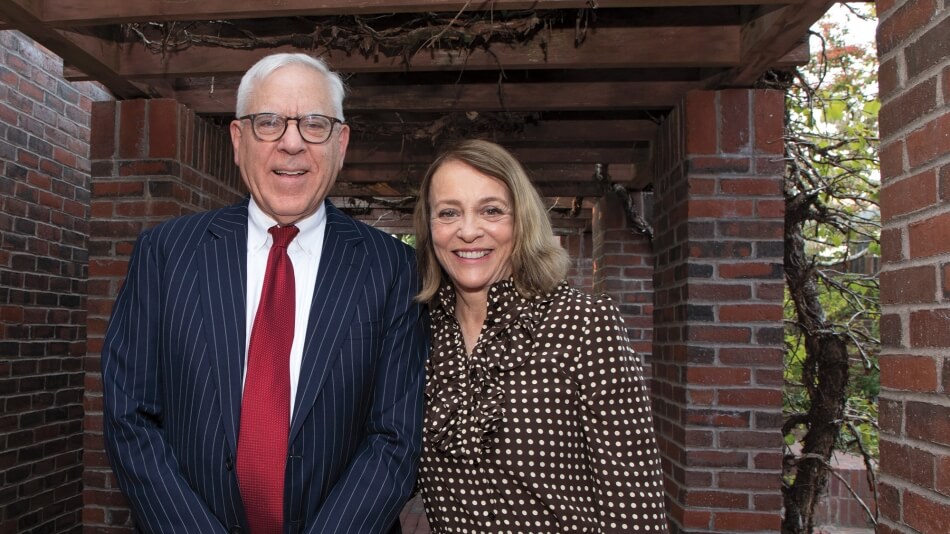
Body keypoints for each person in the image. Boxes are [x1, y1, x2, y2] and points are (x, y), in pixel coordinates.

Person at [101, 52, 427, 534]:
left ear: (341, 143)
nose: (291, 143)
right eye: (268, 122)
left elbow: (397, 437)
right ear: (238, 140)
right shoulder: (166, 253)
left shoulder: (394, 267)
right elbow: (128, 416)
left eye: (314, 124)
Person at [413, 139, 669, 533]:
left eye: (491, 211)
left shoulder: (584, 323)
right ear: (429, 229)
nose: (468, 231)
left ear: (522, 221)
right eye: (448, 212)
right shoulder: (418, 332)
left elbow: (634, 502)